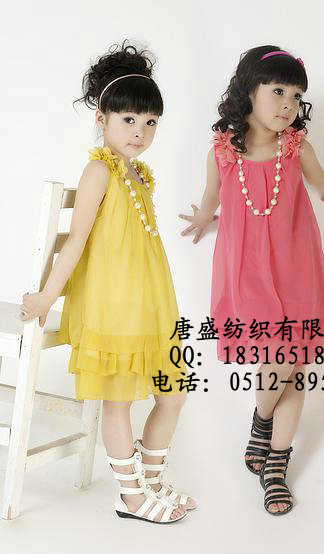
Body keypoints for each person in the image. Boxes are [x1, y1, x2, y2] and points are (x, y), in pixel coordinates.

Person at [180, 45, 324, 515]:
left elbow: (322, 182)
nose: (288, 104)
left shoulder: (296, 148)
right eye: (278, 91)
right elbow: (210, 197)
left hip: (298, 268)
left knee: (294, 362)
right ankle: (263, 419)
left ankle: (276, 463)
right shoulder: (222, 152)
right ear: (249, 90)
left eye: (296, 96)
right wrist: (202, 217)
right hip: (246, 272)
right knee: (276, 358)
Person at [20, 41, 196, 524]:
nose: (140, 132)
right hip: (115, 304)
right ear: (103, 118)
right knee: (118, 400)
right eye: (129, 120)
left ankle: (151, 483)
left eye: (150, 122)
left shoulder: (138, 173)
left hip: (150, 302)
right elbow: (76, 240)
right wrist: (47, 296)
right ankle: (131, 496)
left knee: (173, 393)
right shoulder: (99, 170)